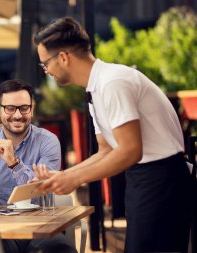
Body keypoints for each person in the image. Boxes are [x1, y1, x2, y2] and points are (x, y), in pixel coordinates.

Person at [32, 17, 193, 252]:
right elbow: (106, 150)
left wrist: (74, 179)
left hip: (162, 180)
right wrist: (64, 176)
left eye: (45, 64)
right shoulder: (96, 89)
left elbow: (130, 150)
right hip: (144, 180)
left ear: (63, 58)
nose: (47, 72)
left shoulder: (113, 82)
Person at [0, 79, 76, 253]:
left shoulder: (48, 141)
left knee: (61, 250)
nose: (17, 115)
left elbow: (42, 188)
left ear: (32, 109)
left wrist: (14, 163)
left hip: (40, 227)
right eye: (10, 108)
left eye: (24, 108)